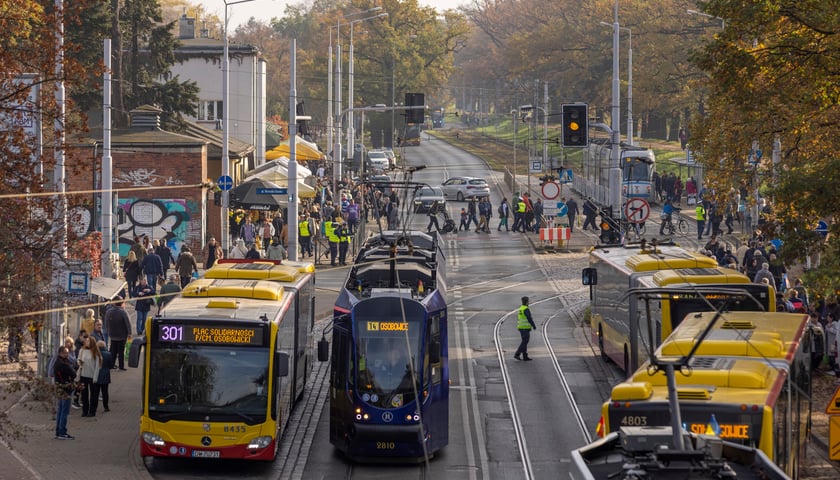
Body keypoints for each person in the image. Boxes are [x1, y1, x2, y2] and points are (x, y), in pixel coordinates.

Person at [53, 346, 77, 440]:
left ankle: (58, 431)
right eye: (65, 353)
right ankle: (62, 432)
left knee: (60, 410)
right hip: (66, 389)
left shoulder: (57, 362)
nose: (67, 355)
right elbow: (73, 374)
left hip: (59, 388)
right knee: (64, 411)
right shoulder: (63, 364)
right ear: (60, 353)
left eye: (67, 353)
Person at [77, 336, 102, 417]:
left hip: (92, 376)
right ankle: (85, 411)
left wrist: (95, 377)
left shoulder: (95, 352)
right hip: (83, 374)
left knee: (93, 395)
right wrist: (79, 362)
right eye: (86, 341)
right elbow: (78, 359)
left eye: (88, 341)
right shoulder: (82, 350)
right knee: (84, 394)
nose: (86, 342)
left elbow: (97, 366)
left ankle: (92, 411)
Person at [104, 297, 131, 371]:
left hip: (112, 335)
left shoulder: (109, 311)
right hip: (122, 335)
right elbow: (128, 323)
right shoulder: (123, 312)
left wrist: (108, 331)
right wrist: (129, 333)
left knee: (113, 351)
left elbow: (106, 323)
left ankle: (111, 365)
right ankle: (121, 366)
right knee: (121, 352)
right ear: (121, 303)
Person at [514, 296, 537, 361]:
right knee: (525, 342)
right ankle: (517, 354)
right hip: (525, 328)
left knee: (524, 341)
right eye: (528, 301)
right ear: (527, 302)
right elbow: (529, 318)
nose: (529, 302)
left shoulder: (521, 308)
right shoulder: (526, 309)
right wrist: (533, 325)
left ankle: (525, 356)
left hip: (521, 327)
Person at [94, 340, 112, 413]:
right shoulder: (108, 354)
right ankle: (106, 407)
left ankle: (94, 407)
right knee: (105, 392)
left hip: (96, 374)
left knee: (96, 393)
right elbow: (111, 365)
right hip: (105, 374)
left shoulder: (95, 354)